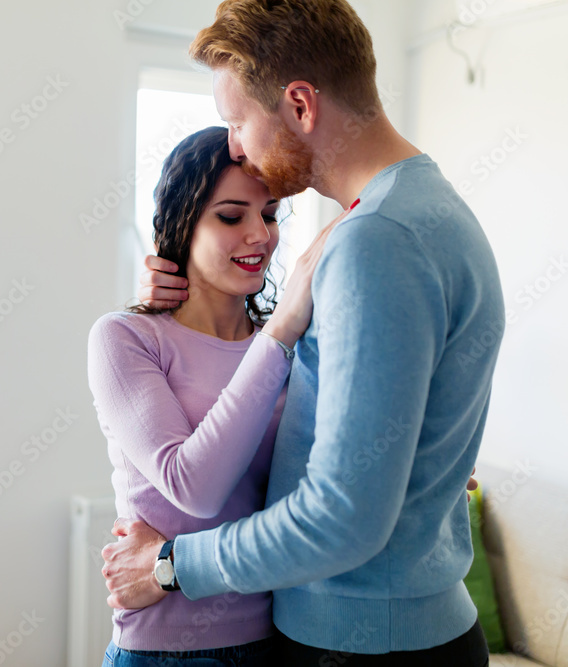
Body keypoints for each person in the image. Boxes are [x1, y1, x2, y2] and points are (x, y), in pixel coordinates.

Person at [100, 1, 504, 666]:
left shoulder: (376, 241)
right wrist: (181, 317)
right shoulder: (428, 213)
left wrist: (168, 565)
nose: (234, 143)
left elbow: (342, 515)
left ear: (300, 105)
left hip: (360, 643)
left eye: (237, 120)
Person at [88, 125, 347, 666]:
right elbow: (196, 488)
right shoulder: (126, 338)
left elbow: (312, 486)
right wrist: (280, 331)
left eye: (270, 214)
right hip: (164, 652)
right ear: (182, 225)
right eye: (231, 216)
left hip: (278, 638)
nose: (260, 234)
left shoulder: (291, 348)